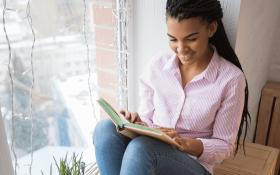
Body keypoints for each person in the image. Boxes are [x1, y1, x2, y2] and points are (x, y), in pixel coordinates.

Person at [92, 0, 251, 174]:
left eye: (191, 39)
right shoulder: (157, 65)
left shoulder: (231, 79)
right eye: (173, 39)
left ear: (211, 28)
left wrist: (182, 142)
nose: (181, 49)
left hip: (192, 165)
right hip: (149, 153)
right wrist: (137, 122)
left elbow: (224, 146)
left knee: (141, 148)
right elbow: (148, 119)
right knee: (105, 128)